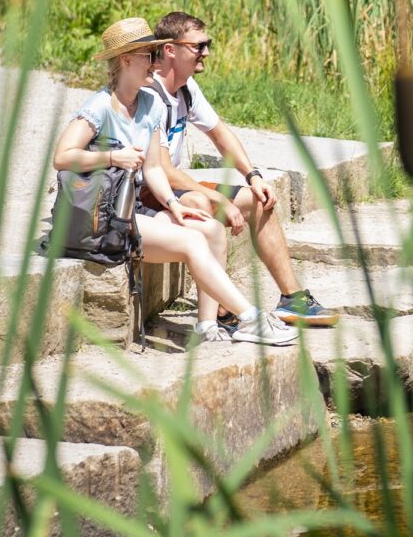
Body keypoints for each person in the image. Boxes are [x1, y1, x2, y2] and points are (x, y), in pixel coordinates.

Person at [51, 17, 297, 347]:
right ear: (126, 60)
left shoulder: (150, 103)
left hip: (133, 205)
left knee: (208, 228)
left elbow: (154, 169)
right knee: (193, 243)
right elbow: (62, 156)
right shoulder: (100, 107)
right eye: (148, 55)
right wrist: (112, 157)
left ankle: (206, 327)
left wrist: (175, 205)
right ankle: (250, 318)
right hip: (103, 217)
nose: (154, 63)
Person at [149, 10, 339, 328]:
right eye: (199, 45)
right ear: (171, 49)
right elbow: (164, 172)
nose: (206, 52)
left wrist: (253, 176)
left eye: (207, 44)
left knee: (258, 198)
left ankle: (292, 299)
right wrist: (219, 199)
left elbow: (220, 134)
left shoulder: (186, 88)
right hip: (149, 192)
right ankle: (221, 311)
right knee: (199, 202)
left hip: (169, 188)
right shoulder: (151, 95)